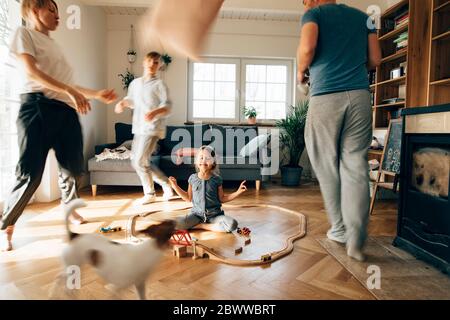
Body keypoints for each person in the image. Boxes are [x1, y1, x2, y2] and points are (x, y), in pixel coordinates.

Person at [1, 0, 118, 251]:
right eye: (51, 10)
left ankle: (69, 203)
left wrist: (96, 94)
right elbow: (31, 71)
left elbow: (69, 85)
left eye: (58, 11)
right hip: (37, 108)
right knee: (31, 174)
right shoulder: (25, 34)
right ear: (34, 11)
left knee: (74, 165)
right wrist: (69, 91)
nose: (58, 15)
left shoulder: (54, 46)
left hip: (64, 111)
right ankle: (8, 224)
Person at [298, 0, 381, 261]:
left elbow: (308, 47)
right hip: (359, 97)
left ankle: (340, 230)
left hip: (325, 96)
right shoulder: (365, 17)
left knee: (325, 165)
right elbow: (376, 59)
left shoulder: (313, 14)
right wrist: (352, 69)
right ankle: (357, 240)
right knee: (355, 165)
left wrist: (301, 71)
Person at [115, 52, 174, 205]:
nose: (152, 64)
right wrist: (122, 103)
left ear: (159, 66)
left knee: (139, 161)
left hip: (153, 128)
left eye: (155, 62)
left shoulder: (160, 84)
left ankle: (150, 193)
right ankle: (167, 184)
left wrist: (155, 112)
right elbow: (132, 101)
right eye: (150, 61)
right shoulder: (135, 84)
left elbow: (168, 106)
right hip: (139, 128)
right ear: (144, 62)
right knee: (139, 161)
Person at [168, 146, 247, 233]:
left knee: (232, 224)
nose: (203, 160)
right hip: (196, 215)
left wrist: (238, 192)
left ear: (213, 162)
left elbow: (222, 198)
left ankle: (201, 226)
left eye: (207, 158)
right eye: (201, 158)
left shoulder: (217, 179)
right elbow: (188, 198)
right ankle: (208, 226)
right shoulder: (192, 178)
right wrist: (175, 186)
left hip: (215, 216)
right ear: (196, 161)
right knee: (174, 224)